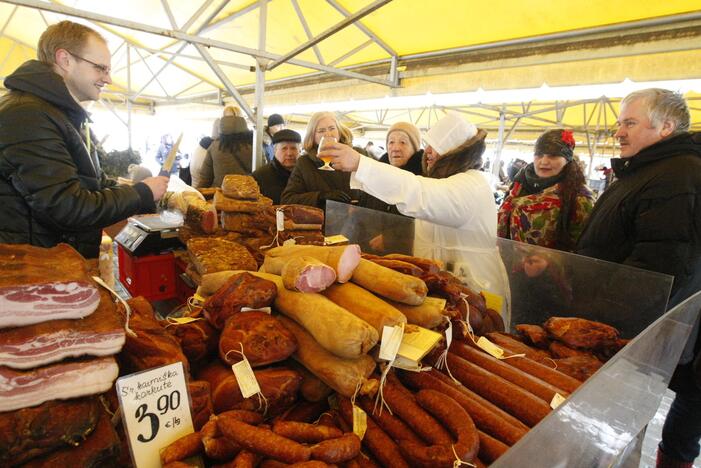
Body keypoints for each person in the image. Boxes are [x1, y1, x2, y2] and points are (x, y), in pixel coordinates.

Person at [575, 88, 701, 468]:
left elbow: (660, 268)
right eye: (619, 123)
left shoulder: (677, 177)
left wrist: (600, 321)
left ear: (666, 127)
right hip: (622, 329)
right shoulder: (648, 170)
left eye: (629, 122)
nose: (619, 132)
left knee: (617, 429)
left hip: (633, 335)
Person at [0, 20, 167, 258]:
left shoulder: (55, 112)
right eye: (101, 68)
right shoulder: (28, 114)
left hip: (53, 262)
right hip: (35, 271)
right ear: (65, 60)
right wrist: (141, 193)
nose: (107, 79)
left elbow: (90, 184)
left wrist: (136, 191)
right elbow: (68, 207)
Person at [324, 112, 510, 306]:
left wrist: (360, 164)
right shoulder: (442, 180)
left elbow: (417, 193)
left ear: (455, 152)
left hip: (476, 292)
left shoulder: (471, 185)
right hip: (446, 289)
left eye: (436, 147)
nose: (427, 151)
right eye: (427, 144)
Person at [498, 129, 594, 251]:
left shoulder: (580, 197)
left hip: (549, 269)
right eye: (539, 154)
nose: (543, 161)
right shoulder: (519, 183)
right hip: (506, 260)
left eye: (553, 156)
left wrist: (551, 262)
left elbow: (583, 248)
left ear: (567, 159)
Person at [362, 122, 424, 253]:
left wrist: (390, 239)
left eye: (403, 142)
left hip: (406, 256)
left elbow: (422, 224)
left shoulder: (423, 179)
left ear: (415, 148)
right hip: (371, 251)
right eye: (391, 142)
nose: (395, 148)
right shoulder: (376, 175)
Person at [280, 111, 360, 208]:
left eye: (332, 128)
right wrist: (320, 197)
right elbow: (287, 199)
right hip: (323, 221)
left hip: (358, 218)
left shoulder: (357, 155)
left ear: (339, 131)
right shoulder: (305, 163)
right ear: (313, 136)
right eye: (321, 131)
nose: (328, 134)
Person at [196, 114, 253, 188]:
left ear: (221, 128)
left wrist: (197, 194)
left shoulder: (214, 147)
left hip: (221, 195)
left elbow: (205, 178)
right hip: (248, 193)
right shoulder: (254, 146)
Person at [252, 129, 301, 204]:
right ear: (275, 151)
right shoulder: (260, 176)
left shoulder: (305, 174)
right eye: (284, 148)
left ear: (299, 151)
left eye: (293, 148)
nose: (289, 153)